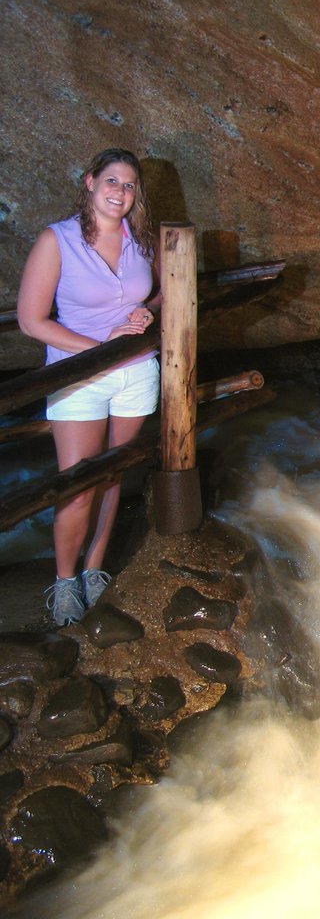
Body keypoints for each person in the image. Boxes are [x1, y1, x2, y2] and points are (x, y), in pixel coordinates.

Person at [17, 147, 160, 625]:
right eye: (112, 182)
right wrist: (98, 345)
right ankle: (63, 582)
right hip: (79, 377)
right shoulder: (56, 240)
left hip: (137, 371)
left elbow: (161, 288)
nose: (121, 192)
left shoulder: (140, 238)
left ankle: (94, 569)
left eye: (129, 185)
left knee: (112, 473)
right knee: (77, 486)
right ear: (90, 182)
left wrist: (149, 310)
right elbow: (32, 321)